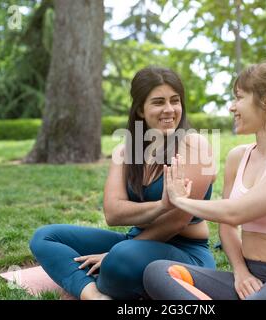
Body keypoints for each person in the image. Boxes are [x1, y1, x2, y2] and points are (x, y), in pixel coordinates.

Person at [143, 60, 266, 300]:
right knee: (158, 272)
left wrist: (179, 200)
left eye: (239, 97)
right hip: (249, 282)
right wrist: (241, 271)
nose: (232, 107)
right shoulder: (237, 156)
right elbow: (228, 226)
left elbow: (235, 213)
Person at [29, 66, 217, 300]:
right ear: (140, 109)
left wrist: (111, 254)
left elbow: (177, 221)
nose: (169, 110)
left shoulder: (194, 146)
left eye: (175, 101)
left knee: (121, 258)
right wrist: (161, 206)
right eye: (158, 102)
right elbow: (114, 212)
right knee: (45, 237)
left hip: (186, 253)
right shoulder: (126, 151)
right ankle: (94, 295)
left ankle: (90, 282)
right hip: (134, 242)